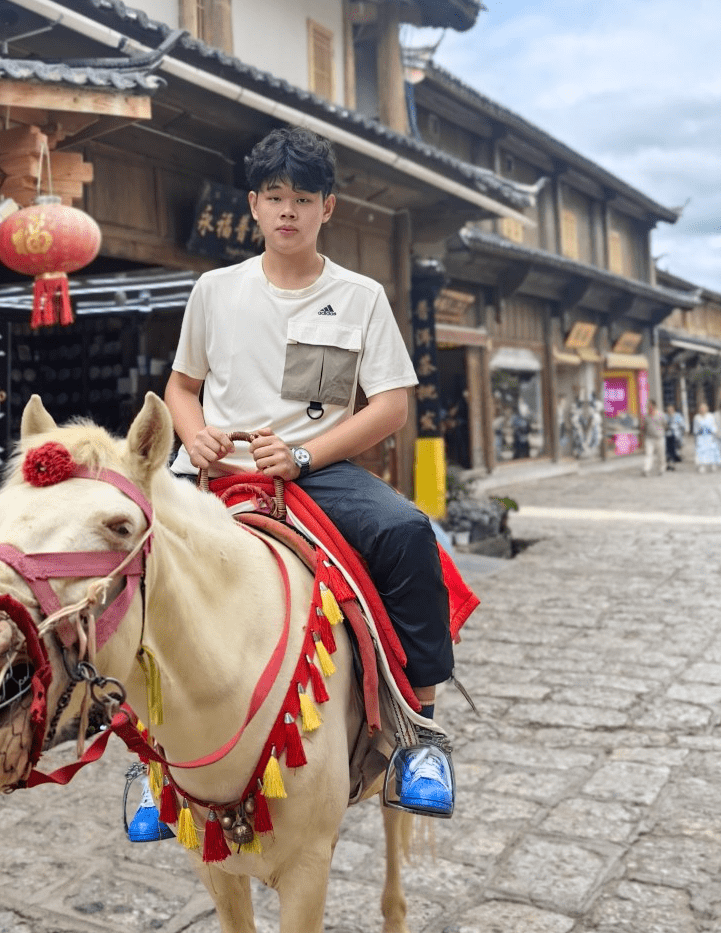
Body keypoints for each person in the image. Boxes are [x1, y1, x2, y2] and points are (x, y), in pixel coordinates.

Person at [163, 126, 456, 818]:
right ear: (254, 205)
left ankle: (421, 733)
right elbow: (180, 386)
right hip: (214, 476)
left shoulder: (360, 295)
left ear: (329, 208)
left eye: (302, 197)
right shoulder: (215, 288)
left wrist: (302, 455)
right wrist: (196, 434)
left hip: (314, 472)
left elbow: (390, 406)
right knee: (131, 558)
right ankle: (146, 754)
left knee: (410, 531)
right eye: (274, 196)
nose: (287, 210)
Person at [693, 402, 721, 473]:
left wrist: (713, 431)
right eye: (701, 408)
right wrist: (697, 433)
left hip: (709, 436)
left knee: (711, 450)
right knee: (701, 451)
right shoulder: (697, 417)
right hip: (701, 437)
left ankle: (713, 464)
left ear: (707, 409)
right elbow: (695, 428)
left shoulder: (711, 416)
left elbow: (714, 426)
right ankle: (702, 466)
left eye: (704, 408)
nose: (703, 409)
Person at [641, 398, 667, 477]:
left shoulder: (660, 415)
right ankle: (646, 469)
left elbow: (665, 425)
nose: (648, 406)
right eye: (647, 405)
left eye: (650, 405)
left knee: (661, 455)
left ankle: (661, 468)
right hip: (649, 439)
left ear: (654, 406)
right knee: (648, 454)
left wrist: (661, 432)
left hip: (659, 438)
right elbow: (643, 427)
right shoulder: (645, 416)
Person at [665, 404, 685, 469]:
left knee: (674, 449)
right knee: (668, 450)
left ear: (673, 409)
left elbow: (682, 425)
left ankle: (673, 463)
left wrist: (681, 434)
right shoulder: (665, 416)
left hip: (676, 435)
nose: (669, 411)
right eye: (668, 410)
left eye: (671, 409)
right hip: (667, 435)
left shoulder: (678, 416)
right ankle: (669, 463)